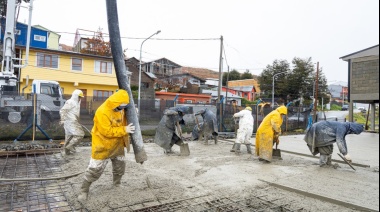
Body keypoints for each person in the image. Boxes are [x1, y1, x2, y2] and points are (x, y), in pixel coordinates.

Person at [77, 89, 135, 201]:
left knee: (120, 166)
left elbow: (122, 119)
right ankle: (84, 190)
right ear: (115, 103)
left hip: (117, 144)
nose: (121, 109)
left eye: (123, 107)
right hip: (102, 145)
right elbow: (106, 131)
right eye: (120, 107)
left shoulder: (120, 109)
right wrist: (124, 129)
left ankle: (117, 184)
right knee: (95, 169)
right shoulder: (102, 112)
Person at [59, 89, 85, 155]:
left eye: (81, 97)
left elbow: (75, 113)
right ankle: (70, 147)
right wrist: (62, 119)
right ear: (76, 96)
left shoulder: (77, 103)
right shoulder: (70, 102)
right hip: (71, 122)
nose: (80, 99)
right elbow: (63, 110)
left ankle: (66, 154)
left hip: (71, 121)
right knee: (80, 134)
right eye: (79, 97)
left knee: (69, 138)